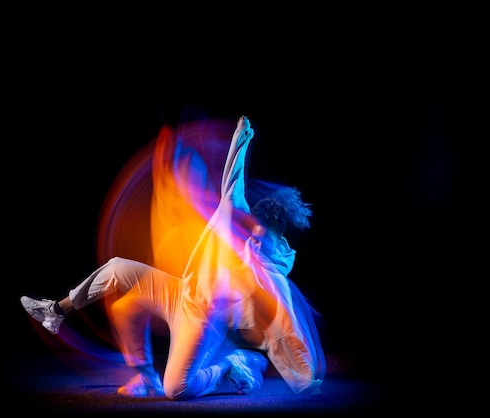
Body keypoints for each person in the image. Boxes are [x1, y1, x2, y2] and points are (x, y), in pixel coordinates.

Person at [21, 116, 326, 400]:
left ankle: (234, 365)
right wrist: (242, 138)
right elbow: (233, 184)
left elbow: (286, 328)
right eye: (254, 236)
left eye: (263, 241)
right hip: (178, 291)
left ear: (275, 240)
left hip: (202, 321)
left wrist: (304, 379)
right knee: (117, 274)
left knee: (177, 389)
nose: (255, 244)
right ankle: (57, 312)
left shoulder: (271, 276)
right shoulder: (236, 222)